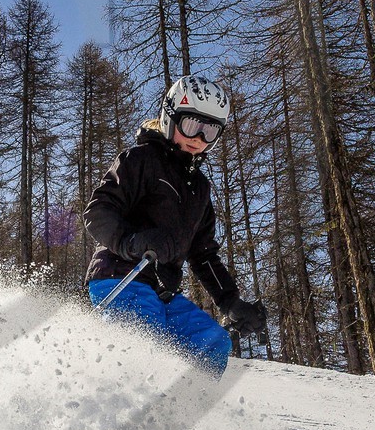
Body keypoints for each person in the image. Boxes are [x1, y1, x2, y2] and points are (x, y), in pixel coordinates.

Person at [82, 75, 268, 375]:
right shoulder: (140, 160)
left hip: (162, 291)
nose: (199, 138)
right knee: (145, 341)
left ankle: (181, 414)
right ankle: (125, 409)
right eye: (192, 126)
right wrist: (133, 242)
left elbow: (204, 255)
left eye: (210, 132)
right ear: (170, 117)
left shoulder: (200, 189)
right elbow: (98, 211)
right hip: (121, 277)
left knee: (213, 343)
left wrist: (230, 302)